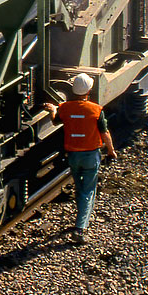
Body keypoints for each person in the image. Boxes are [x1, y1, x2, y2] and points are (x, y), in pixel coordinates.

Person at [43, 73, 116, 244]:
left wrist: (53, 110)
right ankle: (80, 229)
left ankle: (80, 218)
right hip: (91, 156)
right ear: (89, 90)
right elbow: (105, 133)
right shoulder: (96, 110)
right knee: (88, 191)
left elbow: (55, 121)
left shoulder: (66, 107)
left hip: (73, 156)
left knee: (80, 187)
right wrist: (111, 152)